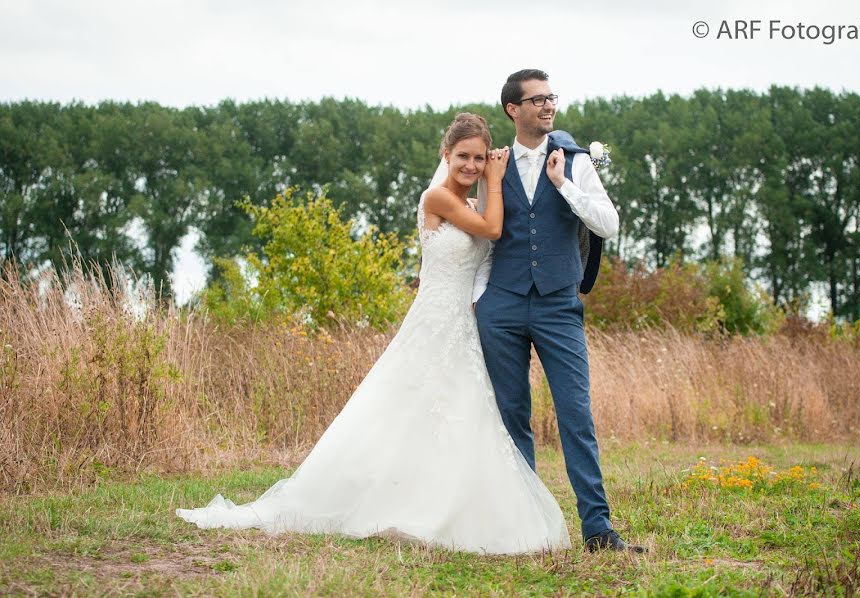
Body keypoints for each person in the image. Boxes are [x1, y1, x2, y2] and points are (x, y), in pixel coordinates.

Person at [176, 113, 571, 555]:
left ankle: (433, 498)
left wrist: (489, 185)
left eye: (481, 158)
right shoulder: (436, 197)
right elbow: (494, 230)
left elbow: (487, 240)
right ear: (446, 155)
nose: (473, 164)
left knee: (454, 412)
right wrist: (496, 177)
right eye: (464, 156)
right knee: (404, 407)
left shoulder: (471, 205)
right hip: (433, 320)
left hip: (462, 324)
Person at [472, 69, 646, 553]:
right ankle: (523, 527)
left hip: (557, 307)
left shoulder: (573, 161)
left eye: (551, 98)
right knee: (511, 416)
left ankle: (598, 529)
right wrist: (479, 299)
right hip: (501, 306)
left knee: (576, 415)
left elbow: (608, 224)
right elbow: (485, 237)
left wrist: (563, 184)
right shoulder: (495, 163)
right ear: (513, 109)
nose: (548, 106)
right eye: (537, 100)